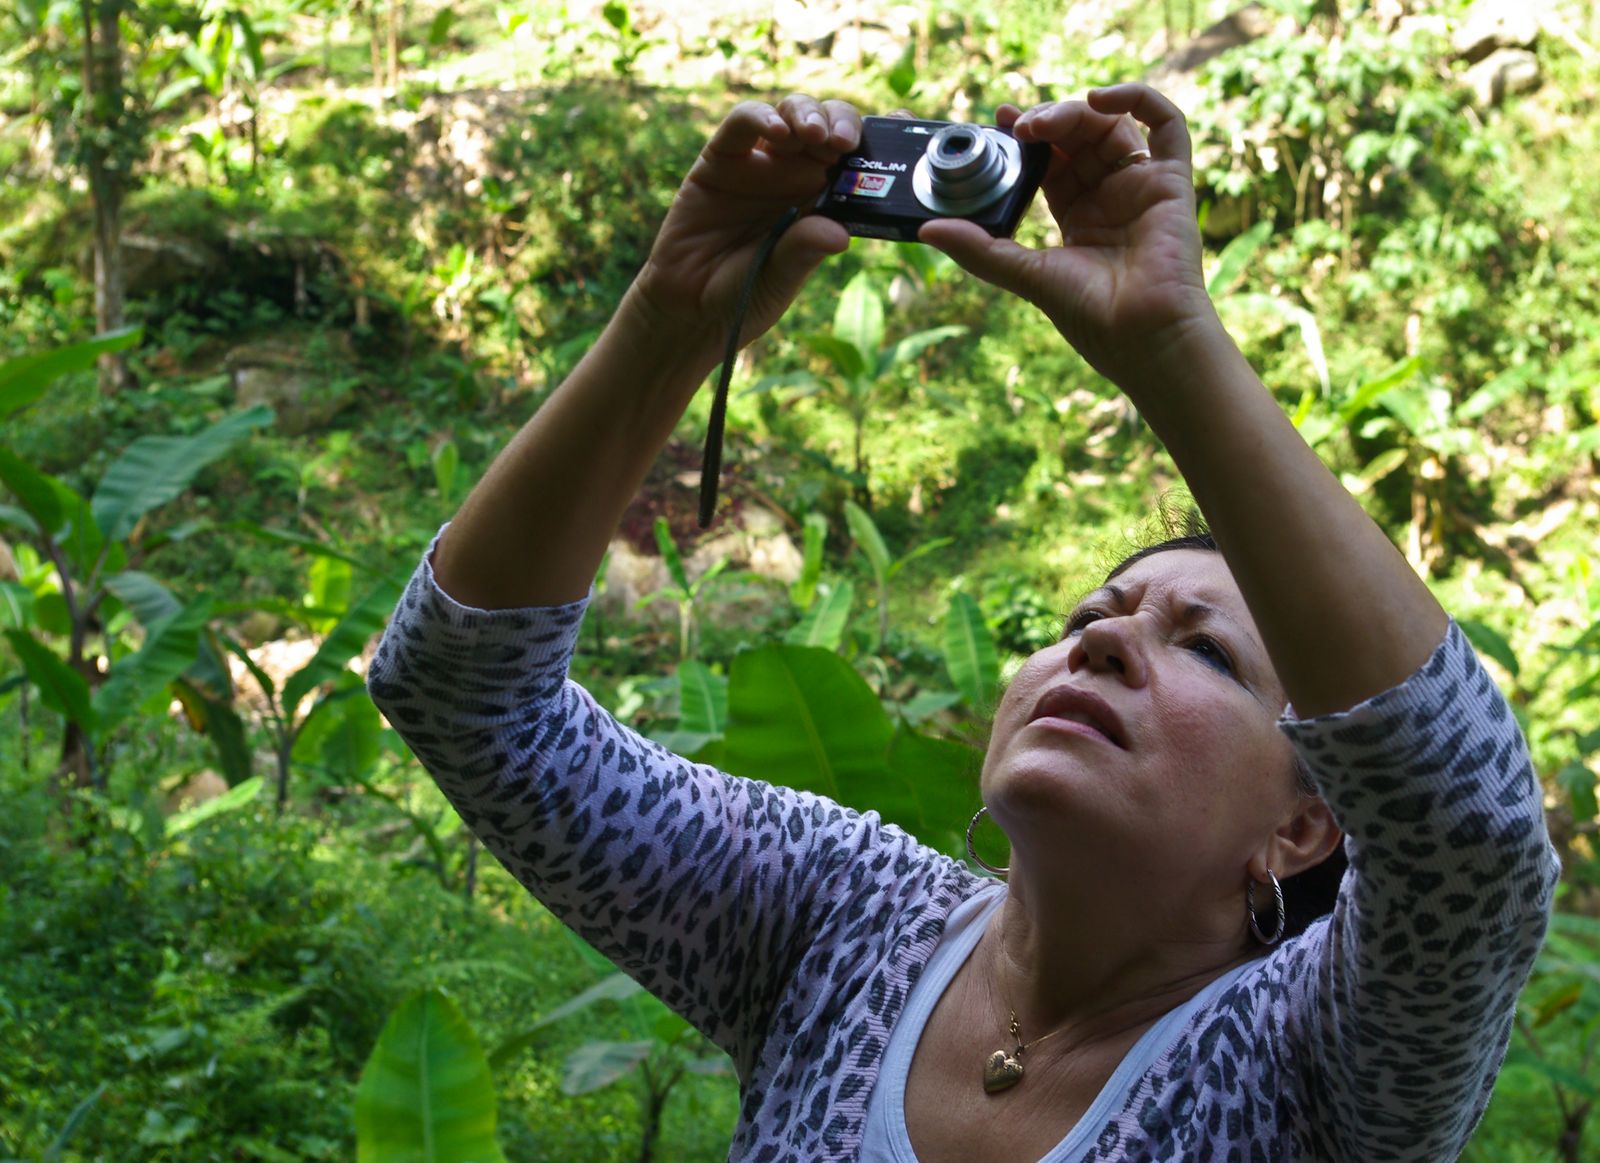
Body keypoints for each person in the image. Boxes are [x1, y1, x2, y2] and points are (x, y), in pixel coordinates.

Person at [367, 84, 1558, 1161]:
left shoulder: (1313, 1063)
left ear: (1304, 825)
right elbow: (464, 694)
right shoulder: (837, 919)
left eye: (1201, 647)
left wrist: (1169, 345)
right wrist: (675, 313)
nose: (1101, 638)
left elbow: (1472, 839)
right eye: (1092, 611)